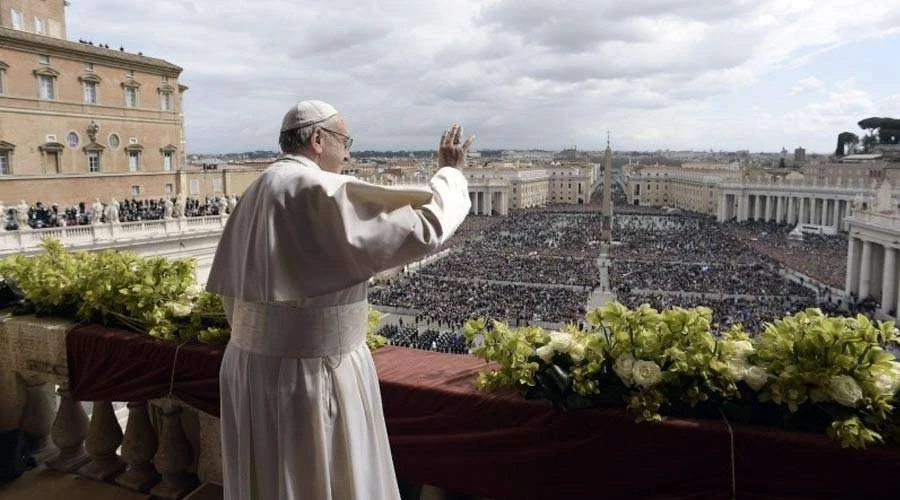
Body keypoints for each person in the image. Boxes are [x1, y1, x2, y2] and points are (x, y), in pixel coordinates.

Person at [206, 99, 474, 500]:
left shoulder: (257, 189)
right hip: (311, 374)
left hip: (248, 367)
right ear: (318, 139)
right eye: (345, 142)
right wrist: (450, 172)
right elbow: (425, 225)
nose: (348, 155)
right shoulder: (313, 188)